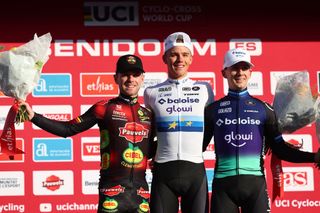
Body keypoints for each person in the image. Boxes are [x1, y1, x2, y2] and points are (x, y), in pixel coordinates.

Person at [19, 54, 155, 213]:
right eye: (125, 74)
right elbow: (67, 129)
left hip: (141, 196)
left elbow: (154, 149)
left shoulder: (149, 114)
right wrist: (34, 117)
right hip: (112, 194)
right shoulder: (103, 108)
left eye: (135, 74)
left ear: (142, 78)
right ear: (115, 78)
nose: (130, 79)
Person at [202, 48, 320, 213]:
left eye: (244, 68)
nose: (240, 72)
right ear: (224, 72)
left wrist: (314, 157)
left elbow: (281, 150)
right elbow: (196, 149)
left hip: (255, 187)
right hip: (223, 189)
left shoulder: (264, 109)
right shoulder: (212, 110)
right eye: (234, 68)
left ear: (251, 72)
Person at [143, 32, 214, 213]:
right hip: (163, 171)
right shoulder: (151, 92)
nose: (179, 59)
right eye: (174, 54)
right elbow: (149, 133)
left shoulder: (205, 89)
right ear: (165, 58)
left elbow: (211, 128)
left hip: (195, 171)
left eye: (184, 54)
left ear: (191, 58)